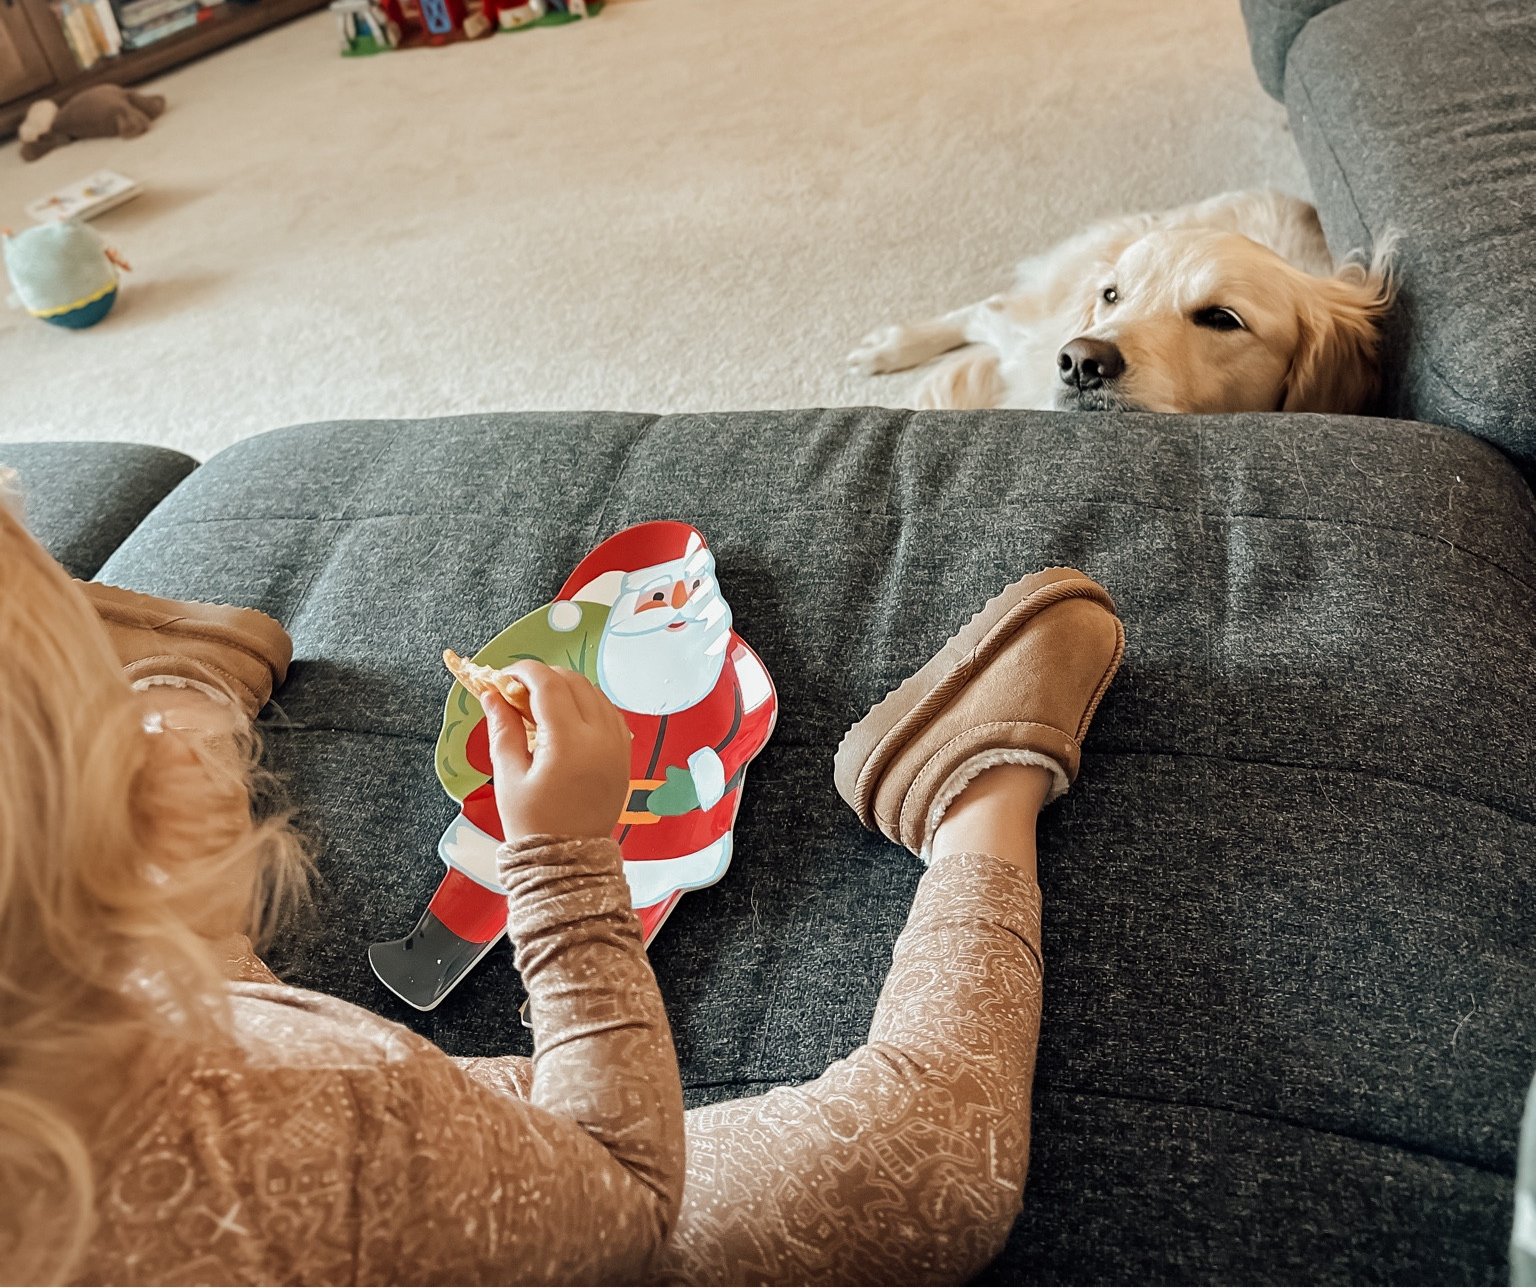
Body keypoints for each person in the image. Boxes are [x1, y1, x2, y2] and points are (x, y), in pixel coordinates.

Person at [0, 500, 1122, 1288]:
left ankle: (173, 674)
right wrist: (567, 858)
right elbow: (625, 1197)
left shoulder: (86, 1001)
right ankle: (974, 791)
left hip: (225, 1052)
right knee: (930, 1169)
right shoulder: (321, 1140)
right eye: (126, 745)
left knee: (176, 945)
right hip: (453, 1178)